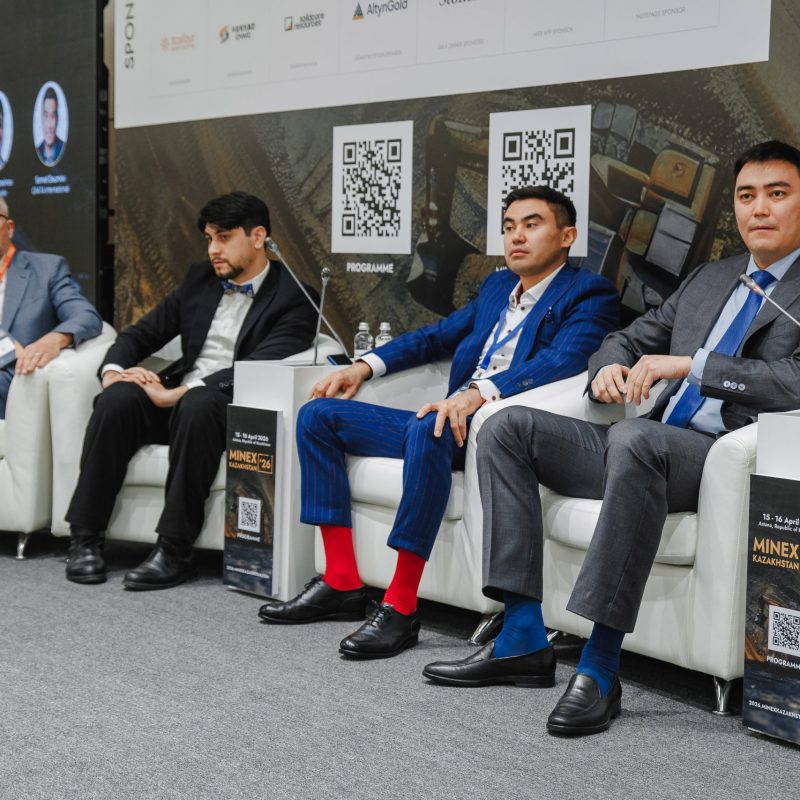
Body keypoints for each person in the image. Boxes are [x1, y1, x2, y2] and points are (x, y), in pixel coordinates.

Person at [422, 139, 800, 735]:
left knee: (635, 440)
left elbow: (794, 380)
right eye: (747, 195)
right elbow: (626, 337)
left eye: (777, 194)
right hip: (647, 445)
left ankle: (599, 667)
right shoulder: (712, 278)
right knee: (505, 427)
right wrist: (607, 369)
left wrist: (693, 365)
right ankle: (522, 637)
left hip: (720, 455)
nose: (759, 208)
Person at [259, 185, 621, 659]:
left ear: (567, 236)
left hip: (500, 426)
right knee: (318, 417)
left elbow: (563, 360)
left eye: (531, 225)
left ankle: (401, 605)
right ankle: (341, 579)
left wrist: (478, 393)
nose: (516, 237)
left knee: (427, 425)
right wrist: (363, 366)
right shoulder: (497, 288)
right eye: (509, 227)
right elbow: (435, 337)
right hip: (449, 418)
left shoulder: (589, 292)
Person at [64, 191, 318, 590]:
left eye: (224, 238)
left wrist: (180, 393)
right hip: (178, 401)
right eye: (209, 239)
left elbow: (255, 368)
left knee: (199, 403)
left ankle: (175, 549)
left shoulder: (296, 298)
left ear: (257, 237)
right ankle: (85, 538)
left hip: (230, 409)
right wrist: (113, 373)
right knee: (117, 400)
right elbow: (141, 334)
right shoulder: (200, 279)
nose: (213, 249)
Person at [0, 197, 101, 418]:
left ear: (9, 228)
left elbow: (85, 315)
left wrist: (55, 339)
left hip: (16, 378)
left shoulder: (46, 269)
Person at [36, 86, 64, 166]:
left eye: (53, 116)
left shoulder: (63, 149)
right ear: (41, 118)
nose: (49, 125)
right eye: (46, 116)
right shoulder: (37, 151)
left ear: (57, 118)